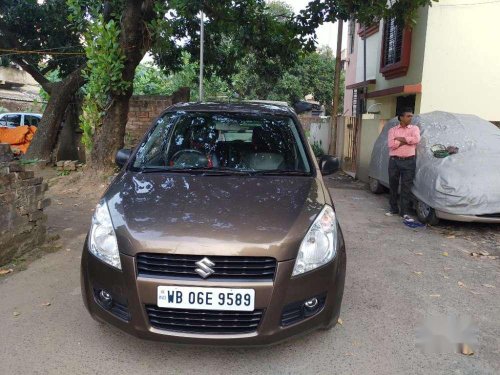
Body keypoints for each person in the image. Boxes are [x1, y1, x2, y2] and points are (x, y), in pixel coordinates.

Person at [386, 108, 421, 221]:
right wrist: (407, 141)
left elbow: (416, 139)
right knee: (393, 185)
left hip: (409, 161)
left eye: (411, 116)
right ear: (401, 117)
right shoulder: (392, 130)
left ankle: (404, 212)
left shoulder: (414, 128)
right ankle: (393, 209)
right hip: (394, 161)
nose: (411, 118)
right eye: (408, 116)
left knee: (406, 187)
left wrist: (400, 139)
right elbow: (391, 144)